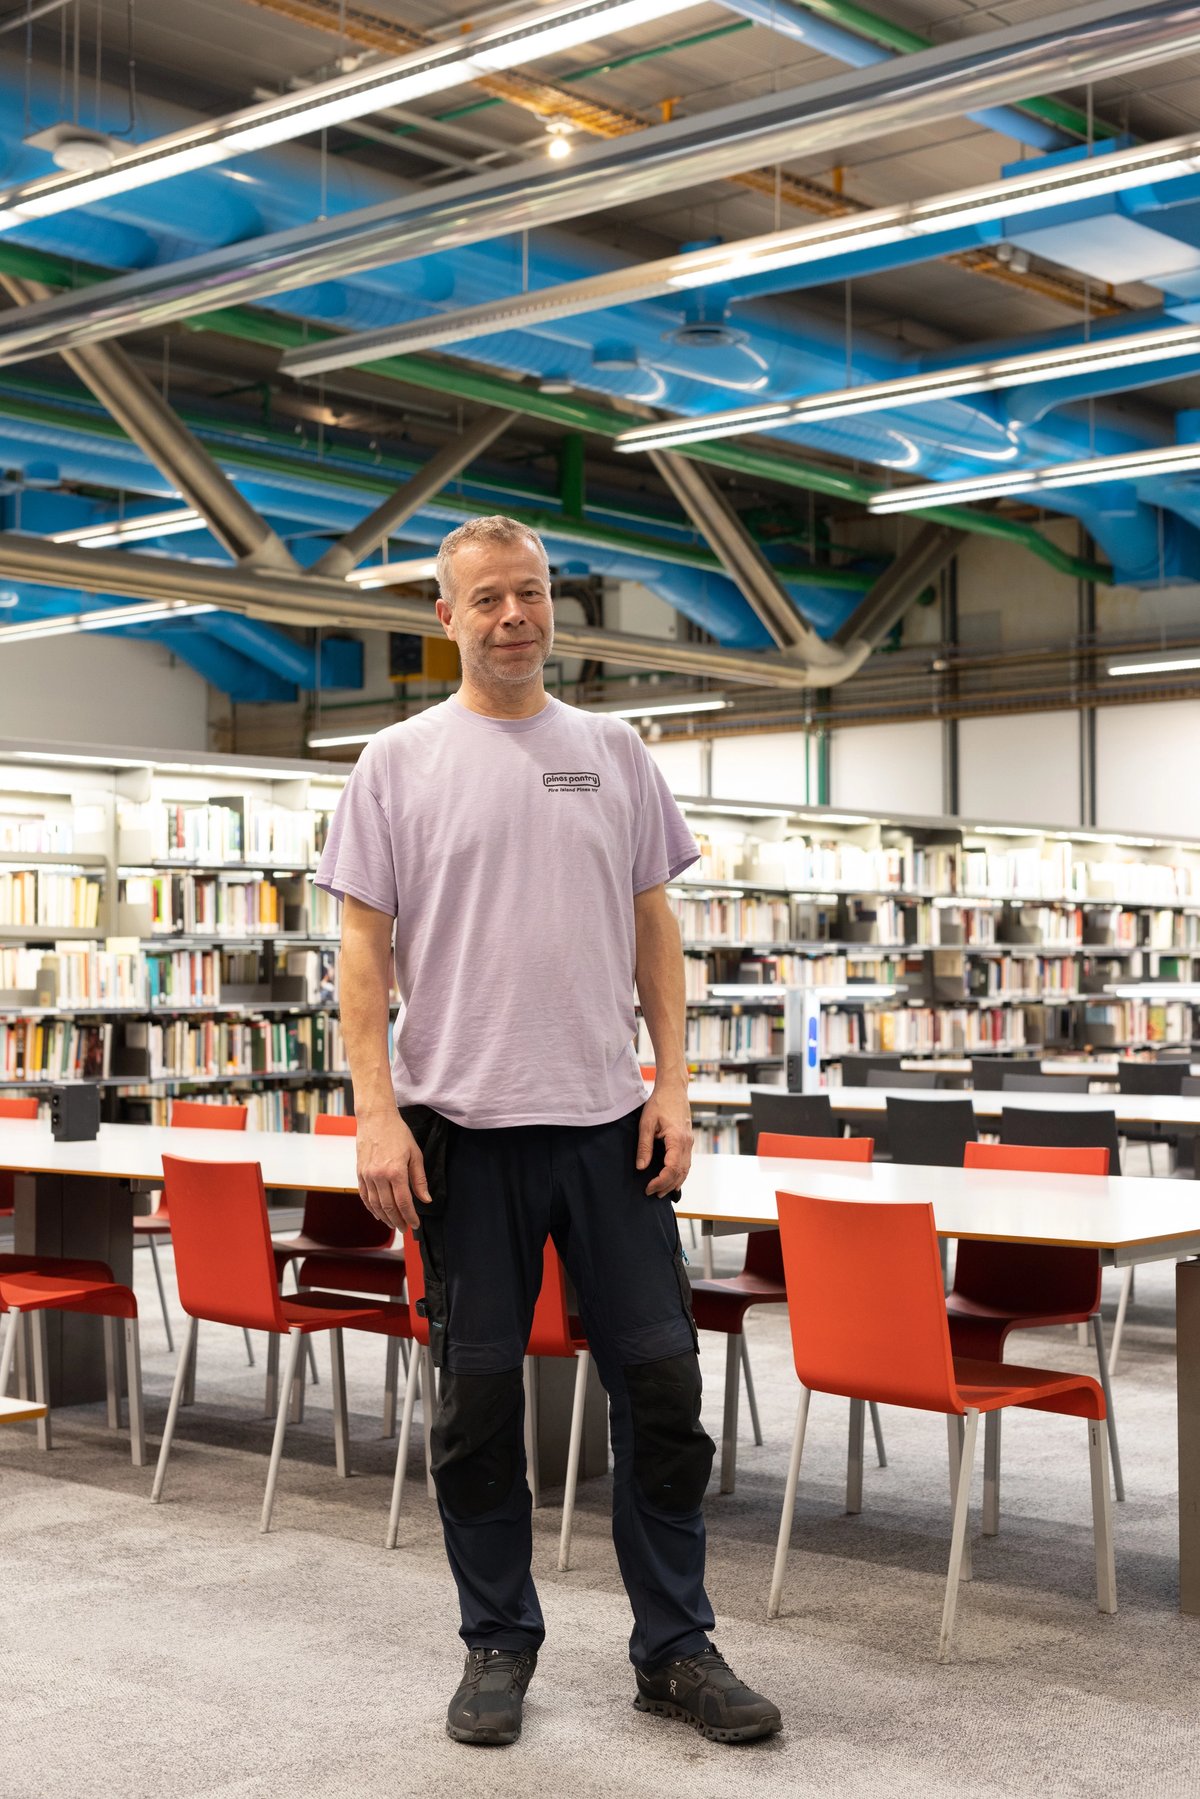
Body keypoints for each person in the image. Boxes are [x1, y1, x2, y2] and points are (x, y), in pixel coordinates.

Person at [315, 515, 781, 1748]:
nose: (514, 615)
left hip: (609, 1128)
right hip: (462, 1131)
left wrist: (675, 1082)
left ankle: (674, 1647)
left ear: (553, 605)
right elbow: (361, 949)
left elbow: (655, 927)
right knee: (475, 1403)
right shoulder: (397, 761)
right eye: (489, 599)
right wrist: (374, 1110)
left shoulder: (615, 750)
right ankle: (496, 1642)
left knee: (665, 1391)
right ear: (447, 619)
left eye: (532, 593)